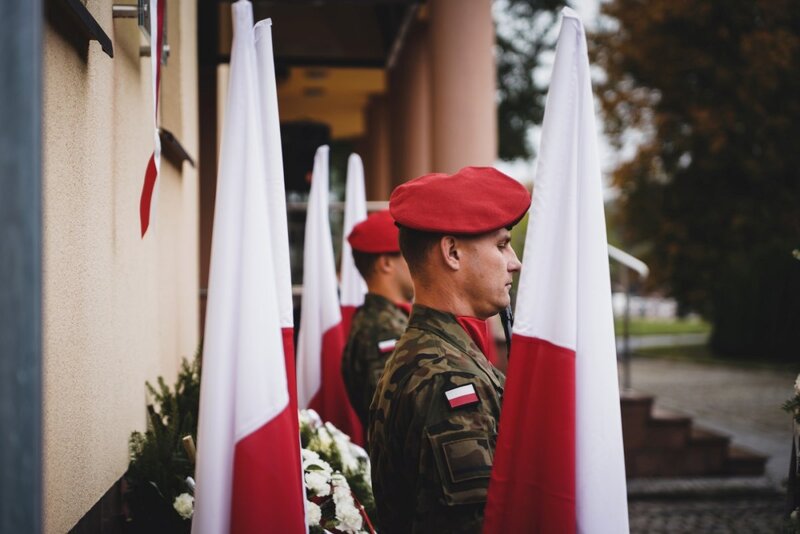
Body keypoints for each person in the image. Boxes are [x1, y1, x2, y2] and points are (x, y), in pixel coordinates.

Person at [369, 166, 530, 533]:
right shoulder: (449, 379)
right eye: (502, 244)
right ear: (453, 252)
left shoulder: (427, 354)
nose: (514, 262)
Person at [341, 209, 414, 433]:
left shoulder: (386, 320)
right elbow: (395, 416)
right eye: (411, 254)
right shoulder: (384, 330)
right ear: (386, 264)